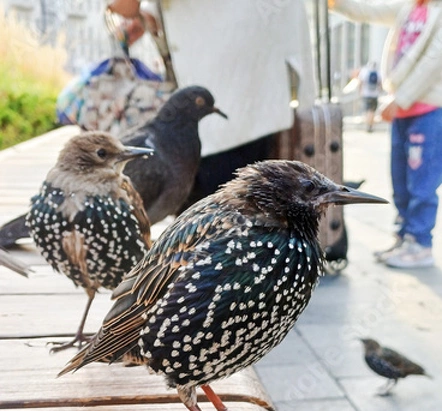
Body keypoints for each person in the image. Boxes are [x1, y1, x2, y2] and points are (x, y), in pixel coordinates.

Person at [108, 0, 316, 201]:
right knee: (250, 207)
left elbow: (123, 5)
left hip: (225, 75)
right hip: (250, 70)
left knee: (221, 212)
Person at [329, 0, 442, 268]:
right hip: (404, 109)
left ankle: (419, 243)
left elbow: (434, 60)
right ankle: (403, 237)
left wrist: (399, 98)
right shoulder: (411, 7)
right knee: (401, 181)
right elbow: (369, 10)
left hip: (428, 108)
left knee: (421, 182)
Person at [358, 60, 382, 132]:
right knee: (372, 111)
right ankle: (371, 125)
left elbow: (360, 82)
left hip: (366, 94)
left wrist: (360, 91)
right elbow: (380, 84)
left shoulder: (364, 71)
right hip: (375, 95)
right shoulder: (378, 72)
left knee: (368, 110)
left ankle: (369, 125)